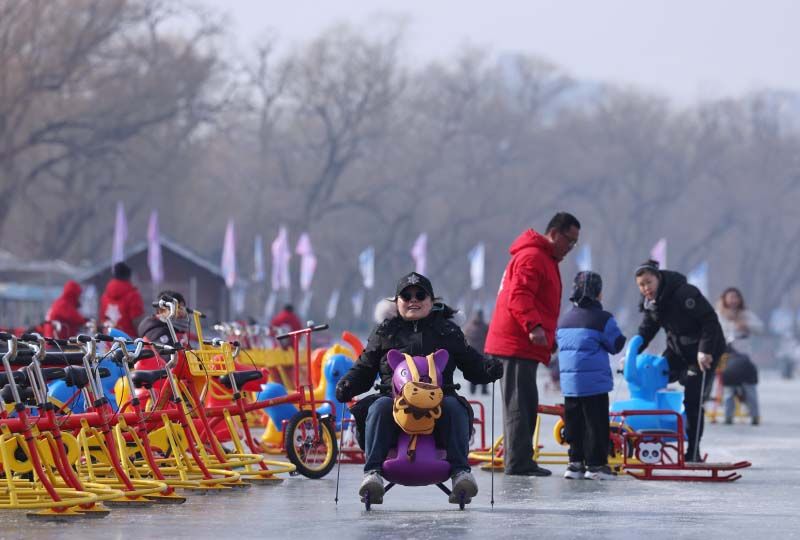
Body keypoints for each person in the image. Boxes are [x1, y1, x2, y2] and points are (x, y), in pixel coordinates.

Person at [335, 272, 503, 505]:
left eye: (420, 295)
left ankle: (460, 473)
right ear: (397, 302)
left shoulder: (447, 331)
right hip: (394, 399)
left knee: (454, 406)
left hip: (439, 399)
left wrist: (488, 368)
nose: (413, 300)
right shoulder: (385, 331)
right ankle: (373, 473)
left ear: (431, 301)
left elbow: (471, 362)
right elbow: (364, 367)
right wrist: (348, 384)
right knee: (378, 407)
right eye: (406, 296)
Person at [484, 211, 581, 476]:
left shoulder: (544, 258)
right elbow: (519, 295)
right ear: (555, 233)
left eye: (575, 243)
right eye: (569, 240)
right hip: (515, 343)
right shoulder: (533, 257)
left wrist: (546, 336)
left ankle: (519, 458)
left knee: (525, 402)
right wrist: (534, 327)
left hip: (523, 343)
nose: (571, 247)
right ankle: (518, 463)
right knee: (519, 403)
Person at [634, 259, 726, 461]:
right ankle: (654, 433)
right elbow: (647, 330)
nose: (646, 288)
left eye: (649, 282)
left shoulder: (684, 293)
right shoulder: (651, 303)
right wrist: (630, 354)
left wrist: (705, 350)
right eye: (641, 285)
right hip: (677, 349)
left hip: (703, 351)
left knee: (693, 398)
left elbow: (710, 320)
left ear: (658, 278)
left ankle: (693, 451)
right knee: (653, 374)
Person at [556, 271, 626, 480]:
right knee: (596, 424)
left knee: (574, 423)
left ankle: (575, 464)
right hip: (594, 384)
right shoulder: (602, 319)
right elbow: (616, 344)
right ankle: (595, 466)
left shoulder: (565, 319)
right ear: (599, 293)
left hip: (570, 384)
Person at [100, 262, 144, 338]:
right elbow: (137, 320)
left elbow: (102, 319)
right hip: (129, 340)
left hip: (109, 339)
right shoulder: (133, 295)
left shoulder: (105, 295)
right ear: (128, 276)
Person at [715, 287, 764, 357]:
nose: (734, 300)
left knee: (742, 363)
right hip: (723, 351)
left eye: (736, 297)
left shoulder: (745, 314)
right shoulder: (718, 315)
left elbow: (760, 328)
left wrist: (746, 326)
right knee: (722, 363)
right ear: (724, 299)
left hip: (742, 350)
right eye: (731, 297)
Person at [721, 346, 760, 425]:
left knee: (728, 396)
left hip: (729, 375)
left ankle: (728, 417)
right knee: (751, 396)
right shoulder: (744, 357)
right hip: (747, 376)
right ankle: (755, 417)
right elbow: (753, 372)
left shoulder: (726, 357)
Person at [462, 310, 490, 395]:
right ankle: (483, 390)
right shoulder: (485, 327)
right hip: (482, 354)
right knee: (484, 373)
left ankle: (473, 389)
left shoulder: (469, 327)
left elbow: (464, 339)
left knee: (474, 372)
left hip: (473, 354)